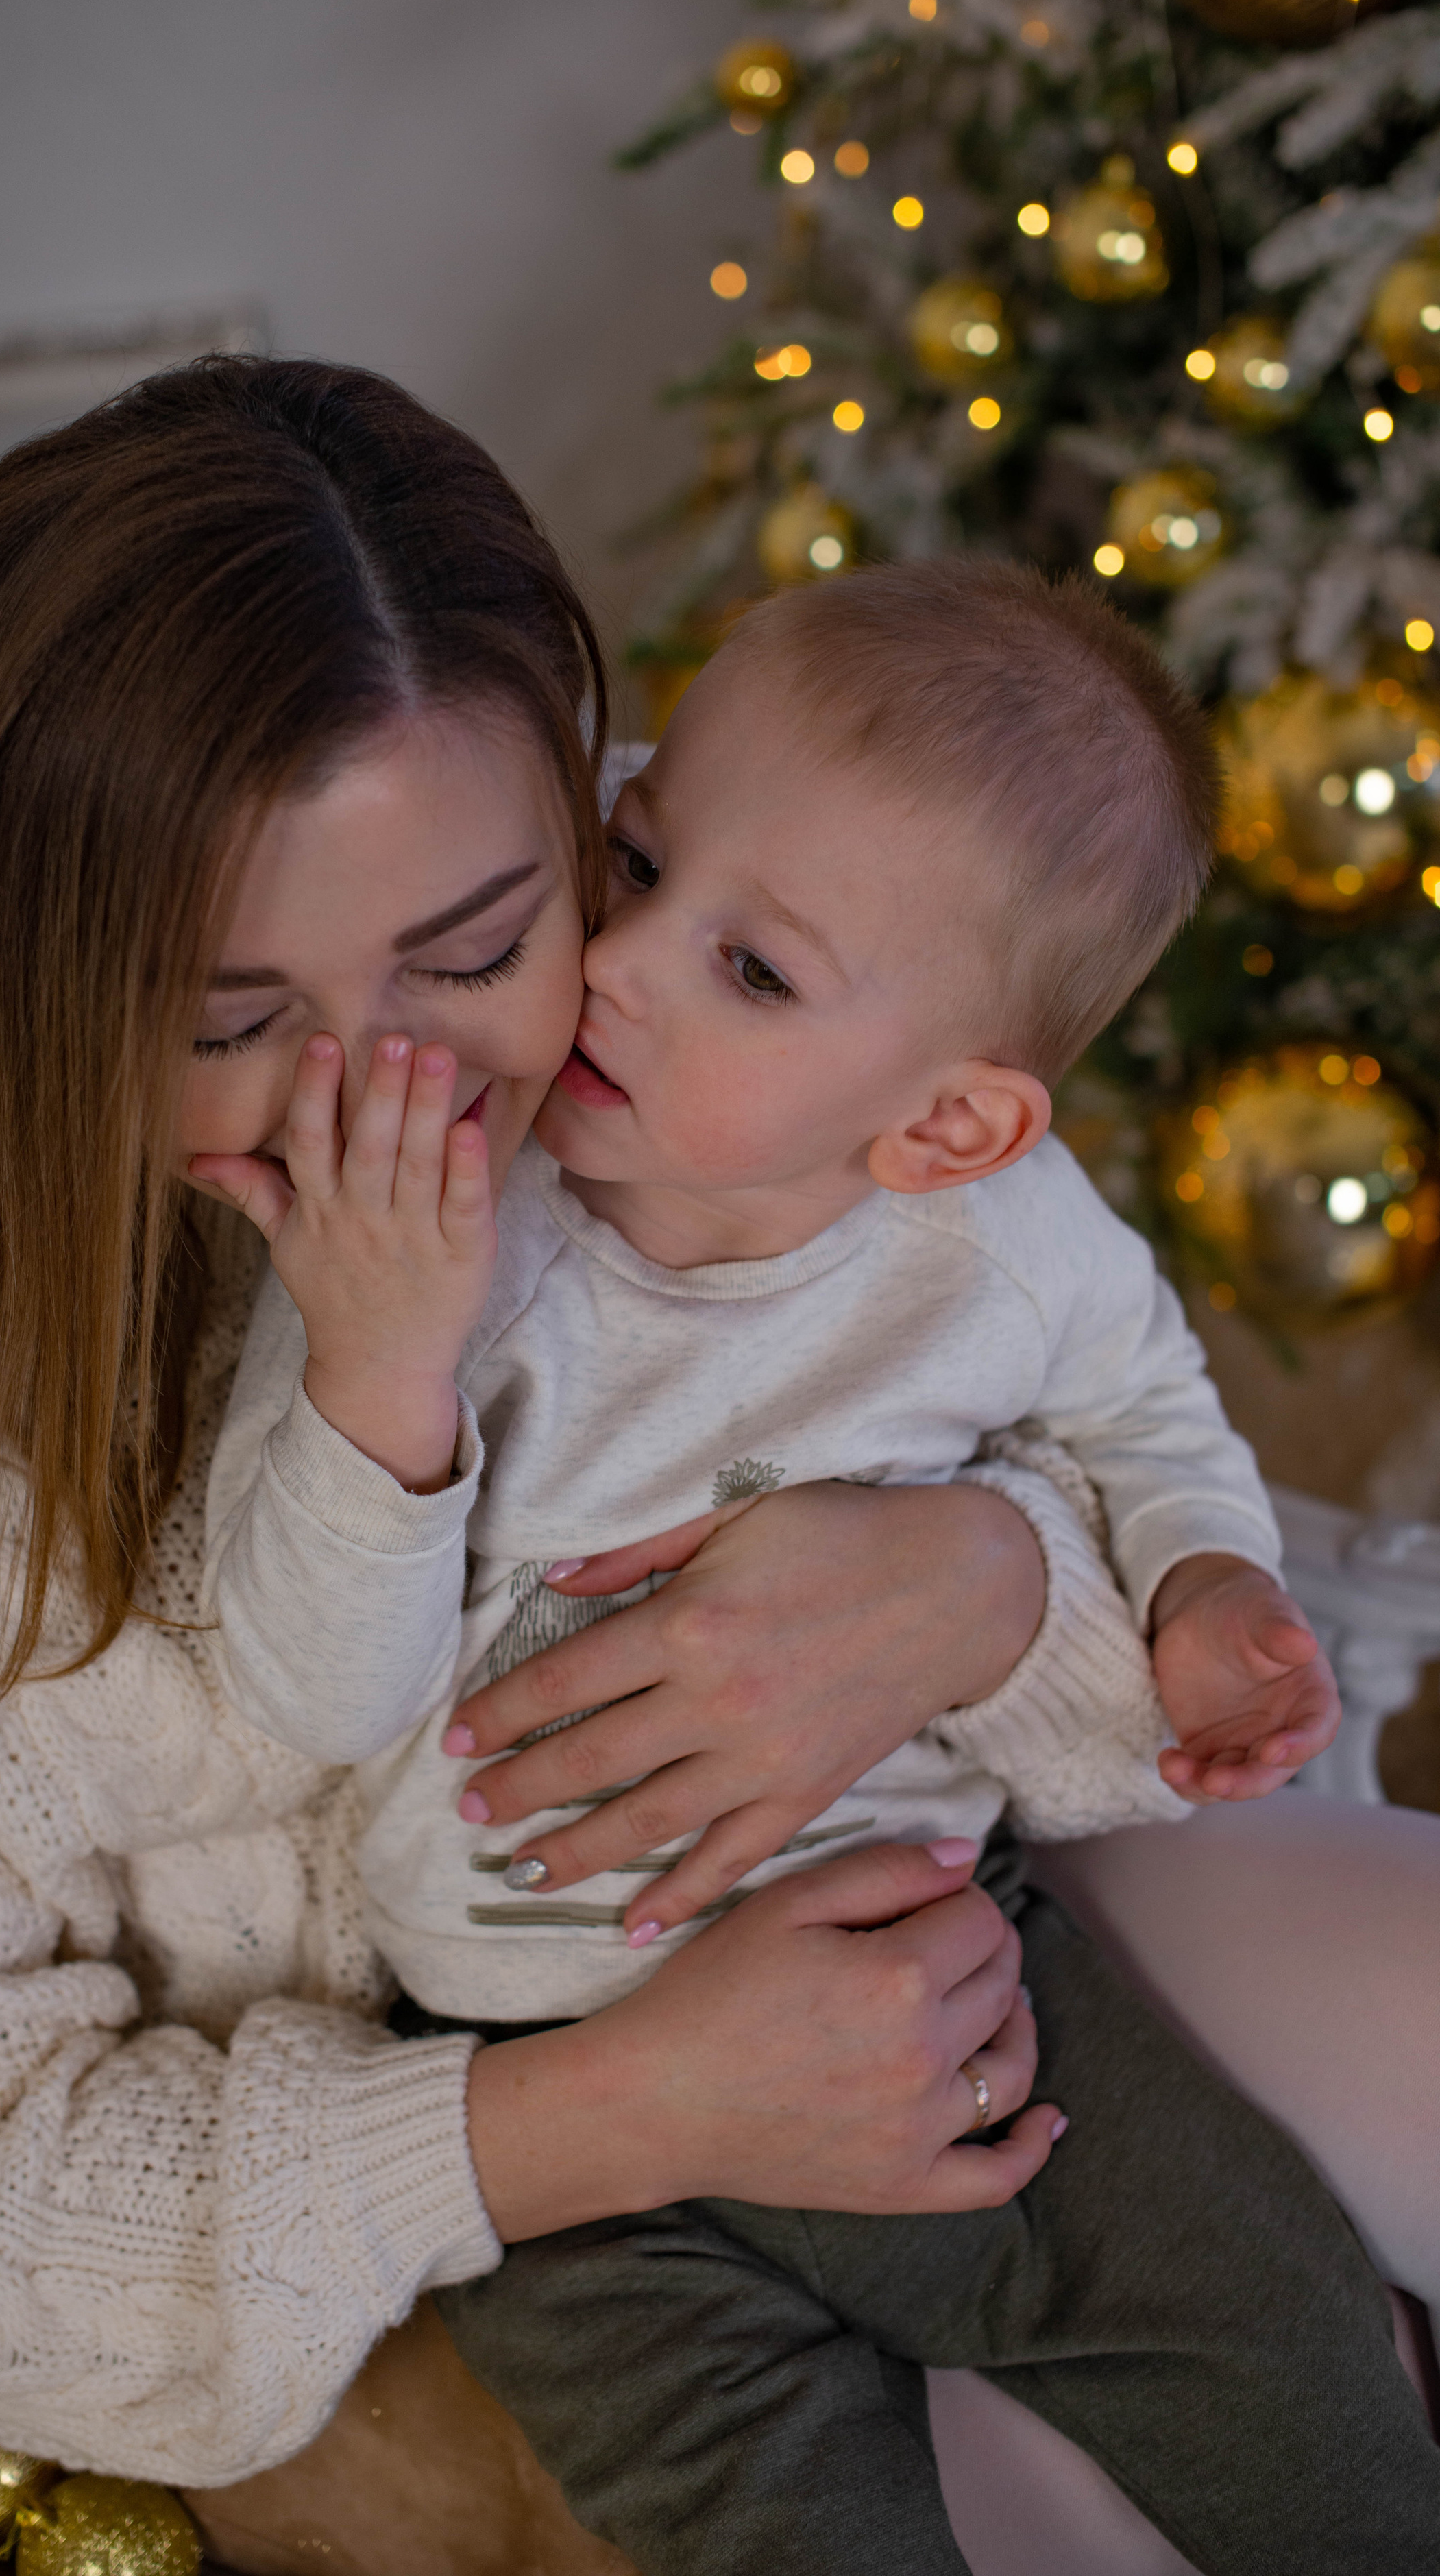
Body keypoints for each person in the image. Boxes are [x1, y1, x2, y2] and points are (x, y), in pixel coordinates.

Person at [0, 359, 1432, 2576]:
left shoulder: (693, 974)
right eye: (230, 1016)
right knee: (1053, 2515)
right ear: (32, 967)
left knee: (1348, 2227)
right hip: (399, 2196)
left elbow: (1045, 1445)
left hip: (889, 1877)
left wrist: (980, 1585)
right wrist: (599, 2113)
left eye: (482, 943)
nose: (387, 1097)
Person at [202, 560, 1438, 2571]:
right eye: (635, 854)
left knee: (1272, 2335)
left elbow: (1145, 1418)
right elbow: (303, 1701)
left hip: (955, 1980)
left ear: (949, 1125)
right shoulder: (440, 1235)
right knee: (778, 2522)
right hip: (560, 2089)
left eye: (753, 970)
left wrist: (1208, 1585)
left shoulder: (1005, 1245)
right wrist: (379, 1377)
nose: (621, 958)